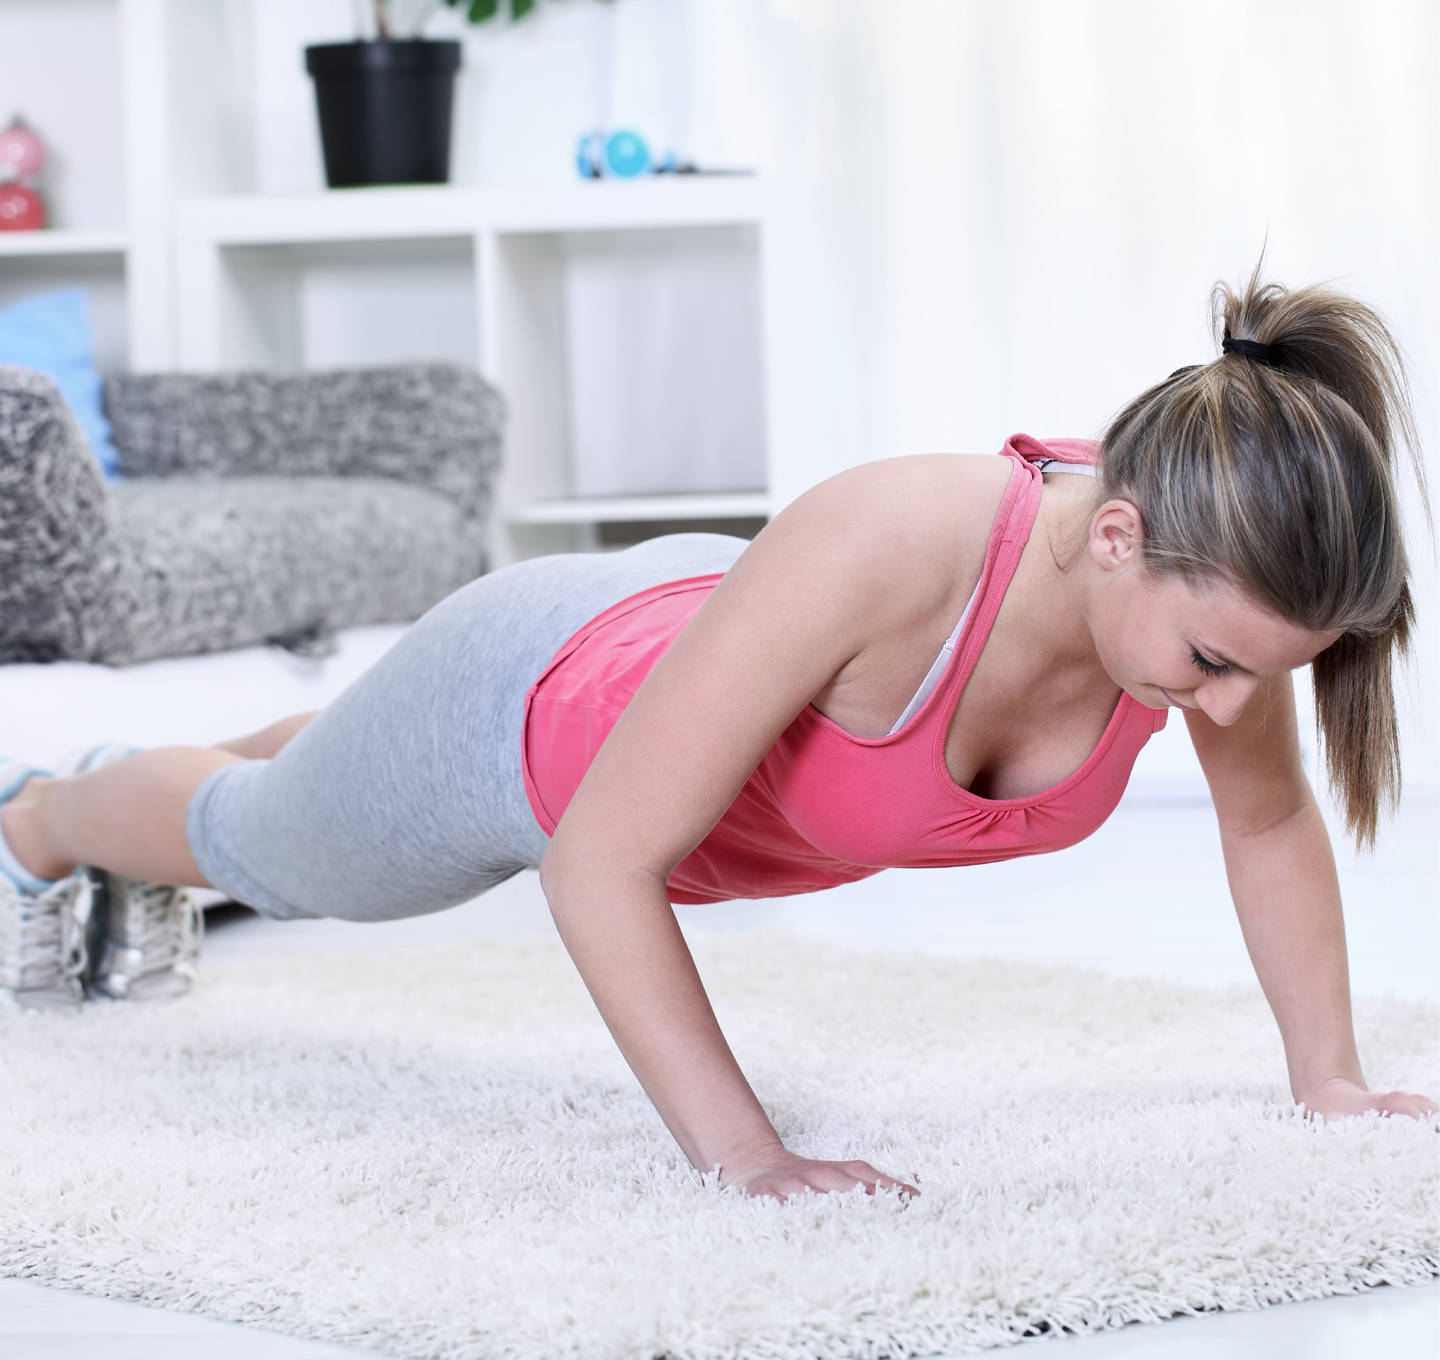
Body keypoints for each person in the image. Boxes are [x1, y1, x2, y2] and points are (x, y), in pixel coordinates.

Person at [1, 269, 1434, 1199]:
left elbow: (1266, 821)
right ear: (1114, 538)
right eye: (1217, 665)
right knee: (272, 848)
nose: (1238, 711)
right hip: (523, 712)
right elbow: (596, 866)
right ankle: (46, 821)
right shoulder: (903, 536)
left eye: (1266, 677)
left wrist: (1329, 1080)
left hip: (687, 630)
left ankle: (316, 758)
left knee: (324, 772)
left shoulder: (1199, 577)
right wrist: (746, 1160)